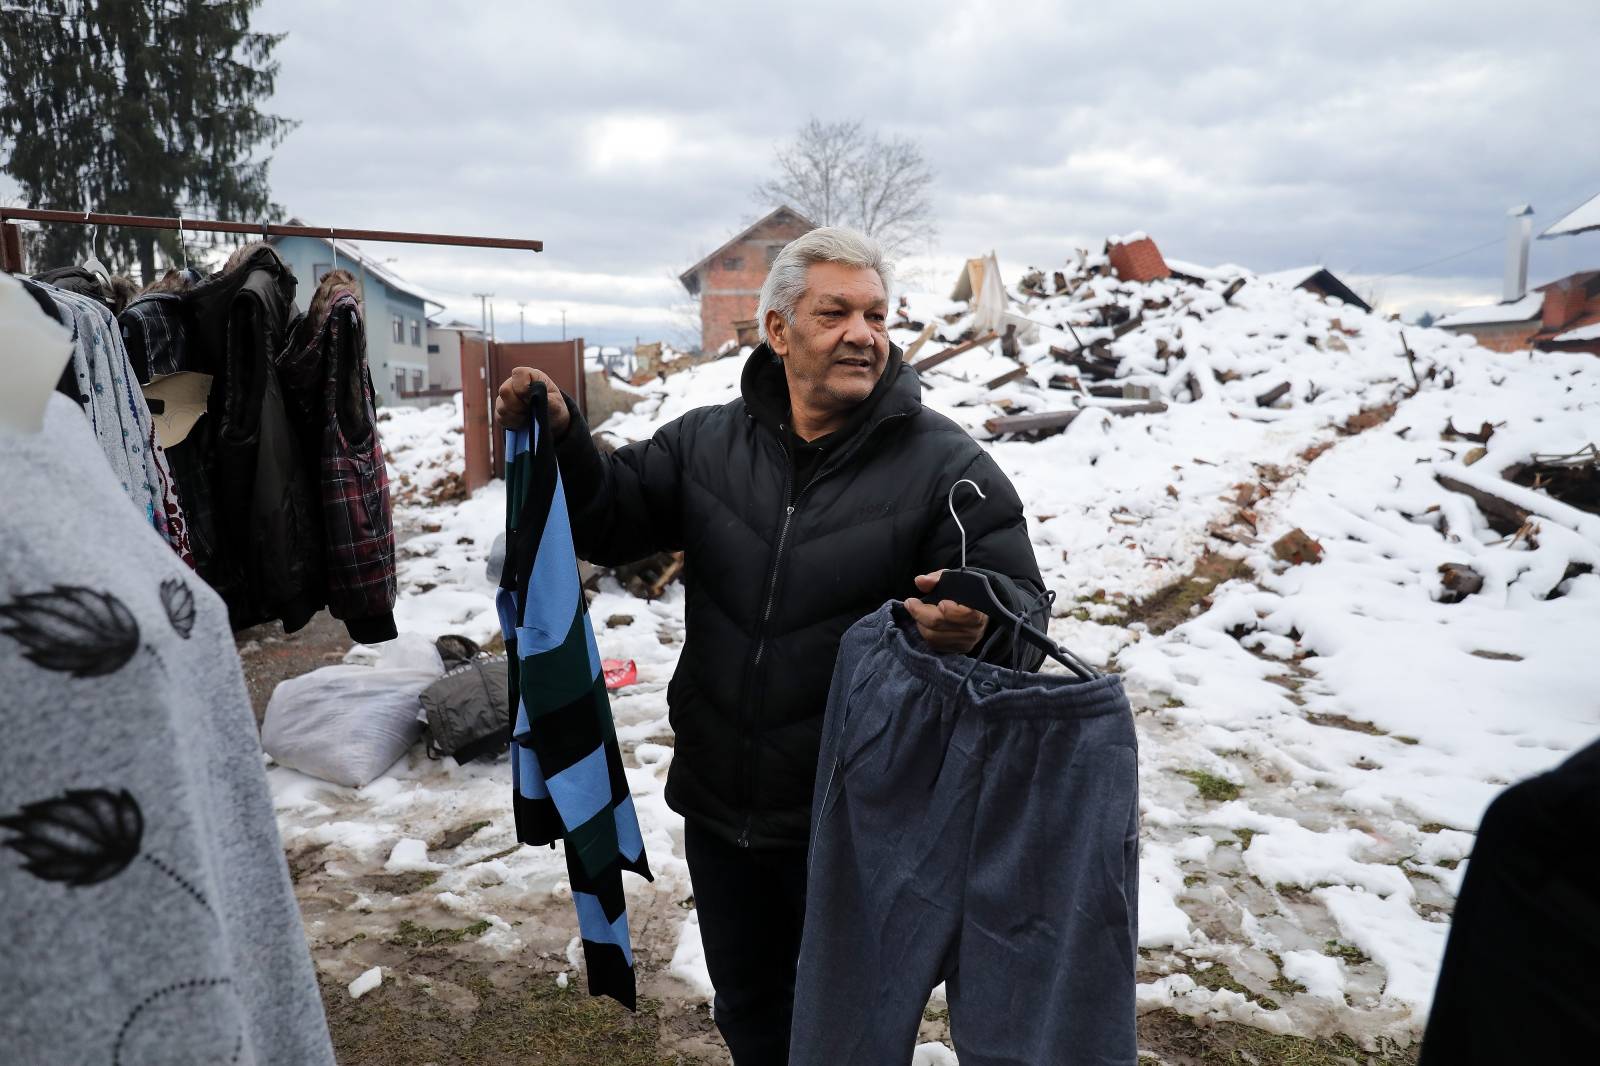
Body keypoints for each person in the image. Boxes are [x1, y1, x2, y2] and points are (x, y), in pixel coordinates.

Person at [495, 227, 1045, 1065]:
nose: (864, 333)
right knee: (751, 1011)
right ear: (779, 331)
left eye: (876, 314)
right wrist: (566, 435)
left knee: (852, 1033)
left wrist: (982, 626)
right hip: (723, 804)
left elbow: (1020, 615)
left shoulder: (947, 467)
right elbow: (609, 517)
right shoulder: (706, 444)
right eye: (836, 313)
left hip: (858, 818)